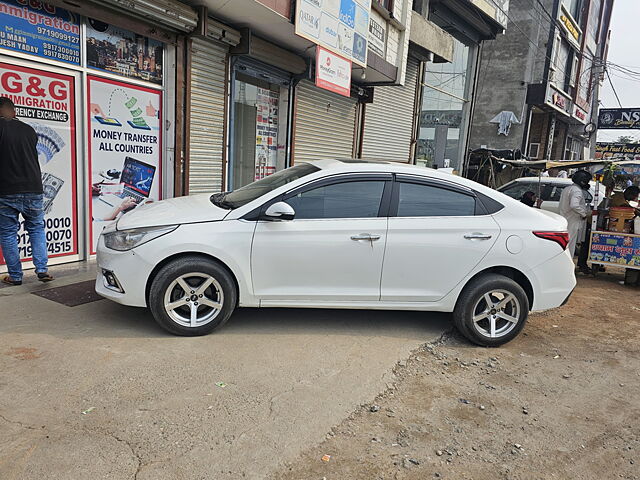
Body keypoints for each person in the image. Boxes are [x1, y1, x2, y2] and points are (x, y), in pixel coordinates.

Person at [0, 97, 54, 286]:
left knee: (7, 233)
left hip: (6, 190)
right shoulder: (29, 130)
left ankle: (15, 276)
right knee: (36, 228)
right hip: (33, 188)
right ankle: (42, 269)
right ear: (13, 112)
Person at [558, 170, 592, 274]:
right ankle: (566, 269)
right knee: (570, 246)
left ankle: (563, 267)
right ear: (583, 181)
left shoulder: (568, 188)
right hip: (572, 221)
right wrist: (584, 213)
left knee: (565, 245)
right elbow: (574, 205)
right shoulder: (576, 191)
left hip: (565, 219)